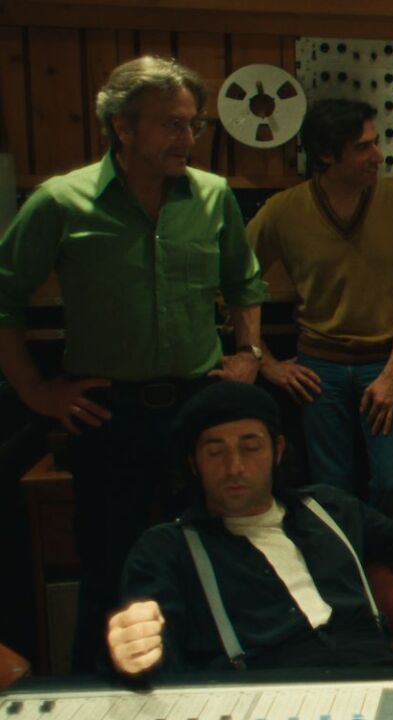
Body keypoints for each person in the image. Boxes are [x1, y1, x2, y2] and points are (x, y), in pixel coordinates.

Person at [0, 57, 267, 670]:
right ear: (122, 127)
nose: (188, 138)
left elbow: (244, 282)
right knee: (109, 571)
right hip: (107, 415)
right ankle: (100, 696)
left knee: (210, 560)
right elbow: (4, 298)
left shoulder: (212, 196)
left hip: (197, 410)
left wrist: (249, 355)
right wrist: (36, 392)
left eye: (193, 125)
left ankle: (211, 690)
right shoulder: (61, 202)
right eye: (172, 124)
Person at [105, 381, 393, 675]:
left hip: (380, 680)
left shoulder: (330, 507)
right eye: (215, 451)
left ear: (277, 450)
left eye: (250, 447)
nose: (234, 466)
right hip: (264, 698)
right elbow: (153, 652)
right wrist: (133, 656)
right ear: (194, 463)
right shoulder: (167, 549)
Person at [248, 98, 393, 515]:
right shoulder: (284, 210)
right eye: (363, 147)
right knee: (330, 487)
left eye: (376, 142)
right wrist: (265, 362)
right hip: (318, 368)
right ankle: (344, 554)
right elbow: (232, 283)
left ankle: (379, 553)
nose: (378, 155)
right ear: (327, 155)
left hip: (384, 360)